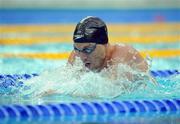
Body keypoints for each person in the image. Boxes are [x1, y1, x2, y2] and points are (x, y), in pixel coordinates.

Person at [68, 16, 148, 75]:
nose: (82, 57)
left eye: (88, 49)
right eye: (77, 49)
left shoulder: (122, 54)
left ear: (104, 44)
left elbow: (113, 92)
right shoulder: (77, 55)